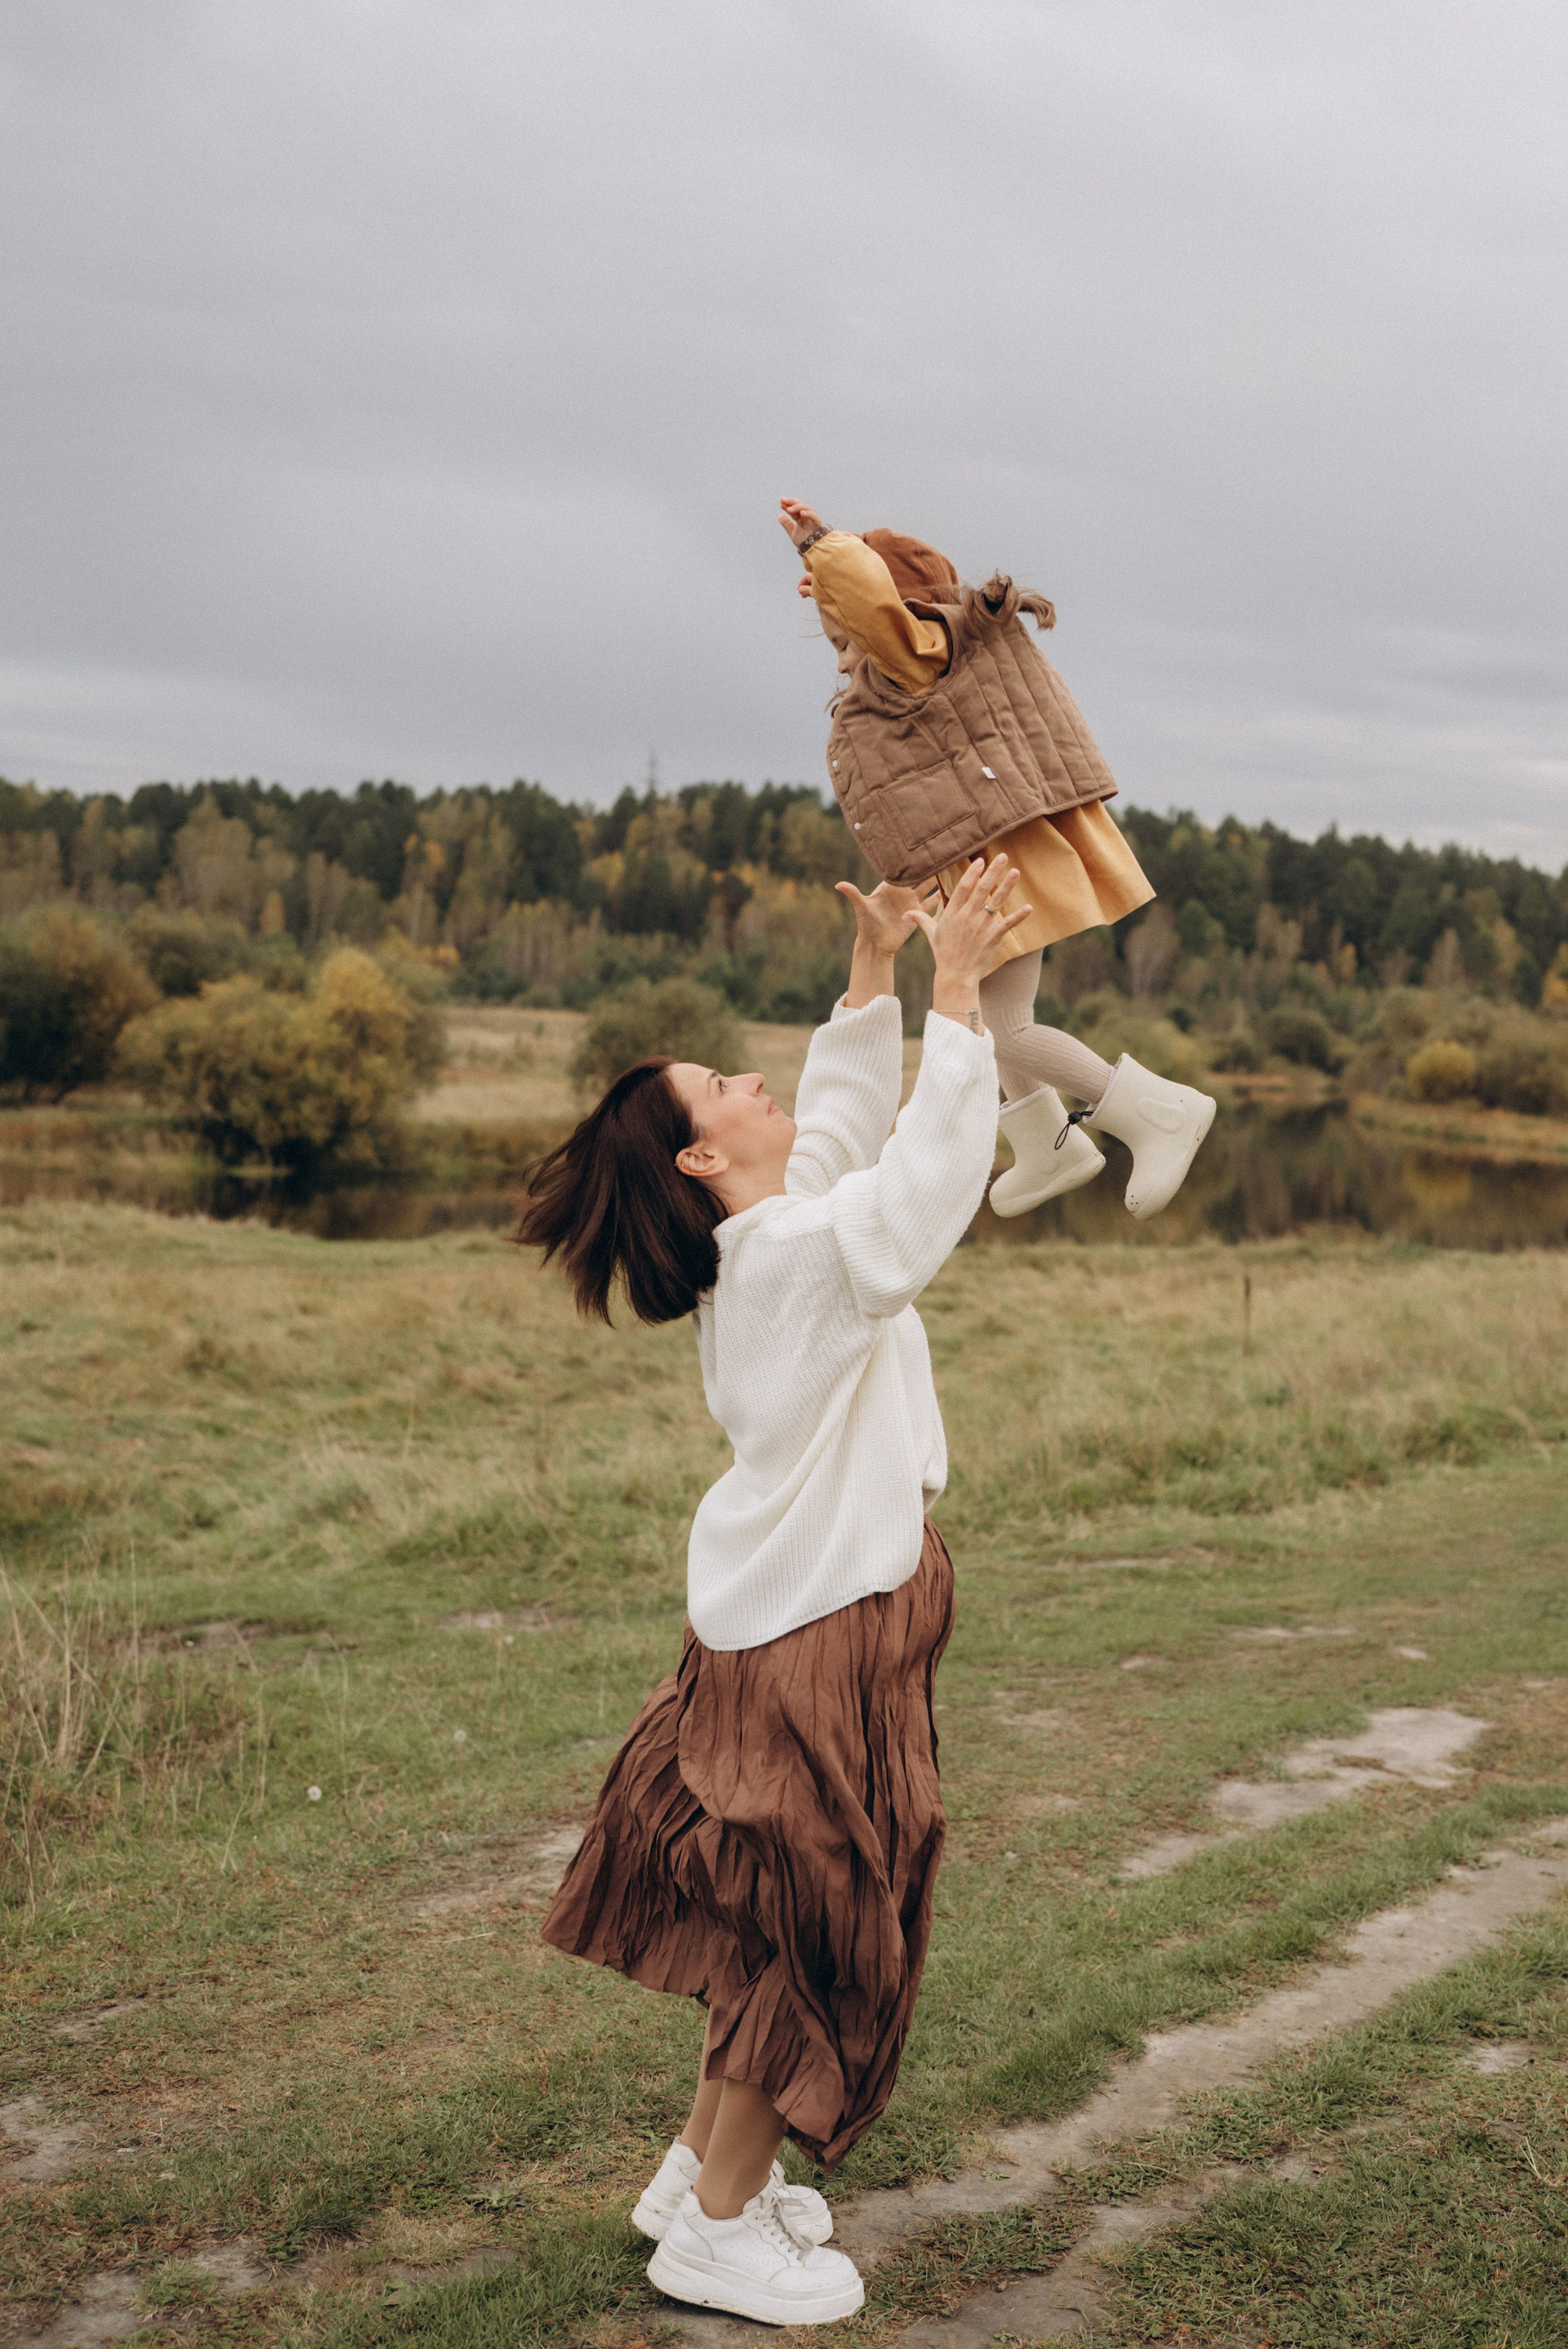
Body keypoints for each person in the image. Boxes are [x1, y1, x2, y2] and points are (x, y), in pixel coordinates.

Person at [519, 855, 1028, 2327]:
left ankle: (697, 2176)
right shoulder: (801, 1257)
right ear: (697, 1160)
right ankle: (719, 2235)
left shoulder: (770, 1244)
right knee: (808, 1928)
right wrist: (958, 999)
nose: (751, 1079)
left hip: (791, 1628)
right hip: (821, 1640)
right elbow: (914, 1199)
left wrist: (873, 983)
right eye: (720, 1086)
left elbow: (843, 1153)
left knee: (770, 1921)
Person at [779, 496, 1216, 1223]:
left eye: (844, 636)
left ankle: (1159, 1113)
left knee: (1001, 1024)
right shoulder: (923, 662)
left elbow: (875, 610)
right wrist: (833, 579)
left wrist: (820, 547)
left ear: (890, 611)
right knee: (985, 1008)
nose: (844, 656)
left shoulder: (918, 651)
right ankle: (1047, 1145)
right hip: (987, 852)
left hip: (1003, 854)